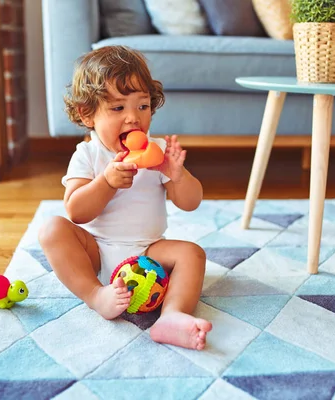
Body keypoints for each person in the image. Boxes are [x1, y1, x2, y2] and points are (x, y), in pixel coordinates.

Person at [38, 45, 212, 350]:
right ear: (87, 114)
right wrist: (107, 181)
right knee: (52, 229)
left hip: (150, 252)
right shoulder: (88, 154)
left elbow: (191, 202)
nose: (133, 118)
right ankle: (95, 295)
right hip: (96, 251)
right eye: (118, 108)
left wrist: (177, 174)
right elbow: (76, 211)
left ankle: (171, 316)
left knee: (192, 253)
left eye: (142, 106)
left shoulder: (156, 151)